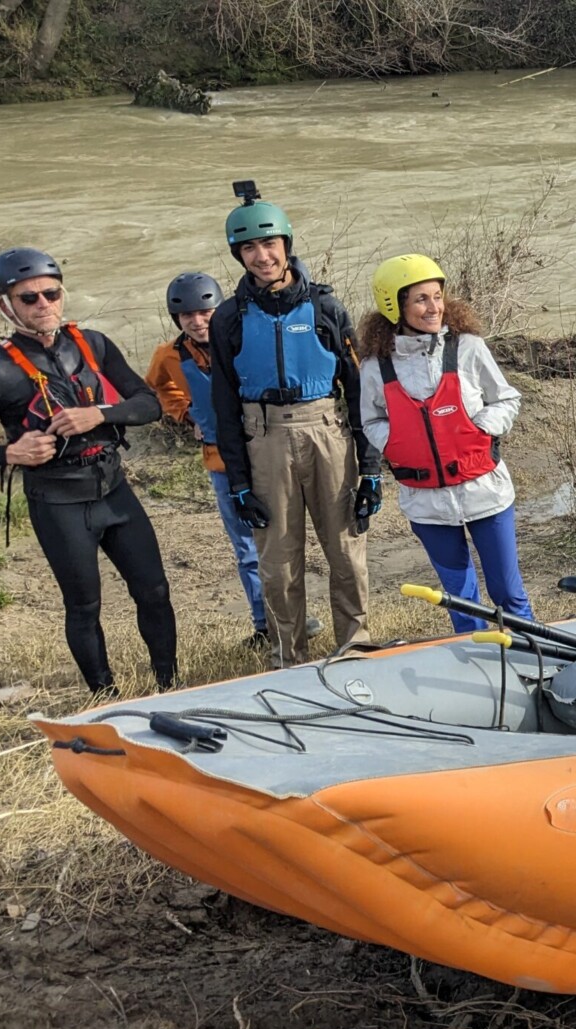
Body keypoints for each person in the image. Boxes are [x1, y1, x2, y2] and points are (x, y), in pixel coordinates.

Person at [0, 247, 176, 695]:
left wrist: (101, 415)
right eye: (30, 298)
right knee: (84, 606)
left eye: (52, 293)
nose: (44, 304)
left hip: (114, 490)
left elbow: (149, 405)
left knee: (155, 591)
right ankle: (104, 698)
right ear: (4, 305)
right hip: (59, 502)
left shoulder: (94, 344)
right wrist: (11, 453)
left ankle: (171, 683)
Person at [208, 182, 380, 666]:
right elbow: (224, 403)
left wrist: (370, 468)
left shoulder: (326, 307)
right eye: (249, 248)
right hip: (263, 438)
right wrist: (238, 481)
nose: (262, 256)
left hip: (327, 431)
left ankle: (355, 643)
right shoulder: (229, 319)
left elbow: (360, 391)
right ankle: (290, 654)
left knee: (346, 550)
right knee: (278, 562)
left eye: (269, 244)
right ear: (237, 254)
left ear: (287, 245)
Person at [358, 254, 531, 633]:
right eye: (421, 299)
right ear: (395, 305)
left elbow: (505, 397)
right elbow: (370, 419)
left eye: (437, 296)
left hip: (485, 492)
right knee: (461, 599)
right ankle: (478, 671)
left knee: (507, 591)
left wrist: (483, 427)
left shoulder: (467, 347)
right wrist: (395, 442)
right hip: (427, 504)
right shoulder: (375, 366)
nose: (434, 307)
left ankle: (536, 660)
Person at [144, 271, 270, 646]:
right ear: (176, 320)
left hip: (266, 453)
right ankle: (264, 626)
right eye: (187, 317)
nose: (197, 322)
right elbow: (156, 386)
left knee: (278, 540)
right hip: (222, 463)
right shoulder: (168, 356)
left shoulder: (247, 339)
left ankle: (292, 616)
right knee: (247, 548)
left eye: (205, 312)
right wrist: (185, 414)